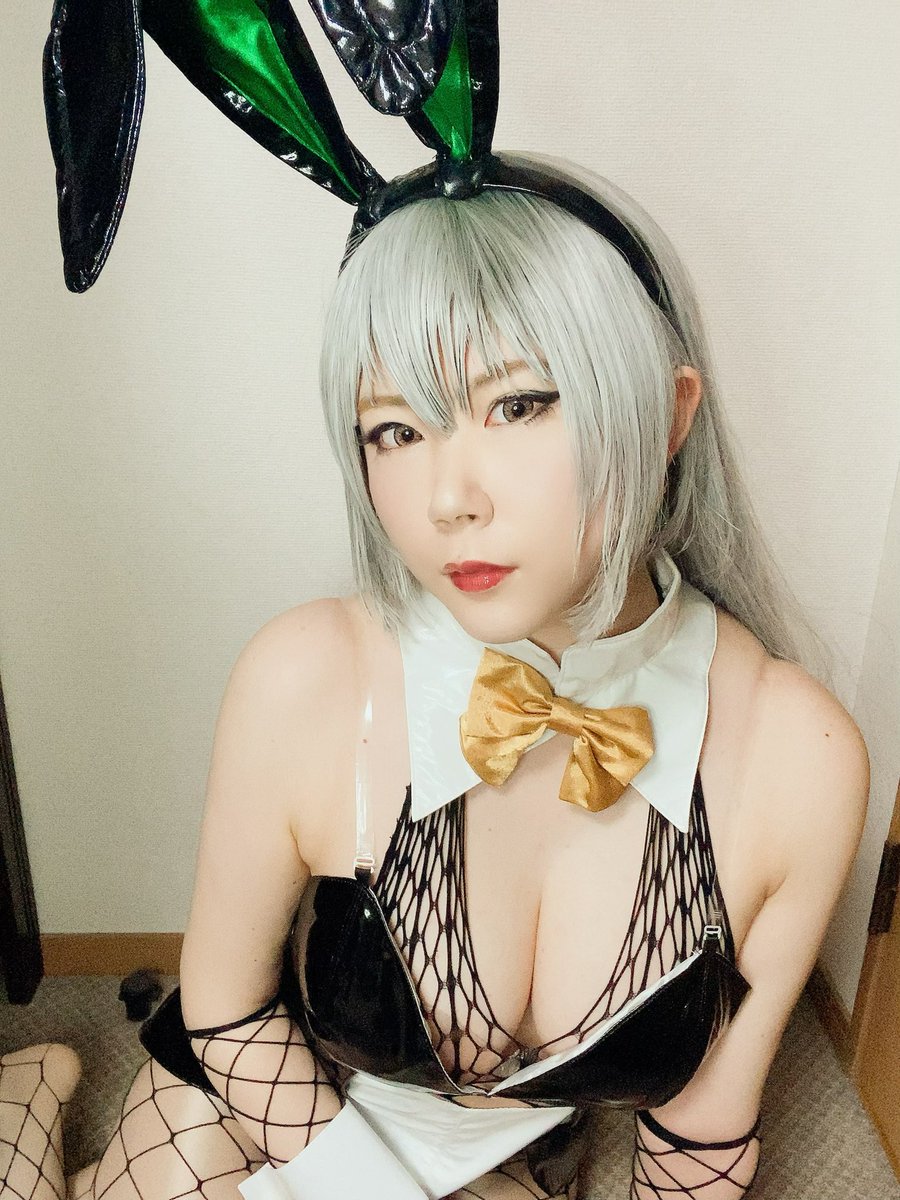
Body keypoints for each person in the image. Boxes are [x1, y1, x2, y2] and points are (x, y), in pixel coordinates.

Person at [6, 5, 868, 1199]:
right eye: (394, 431)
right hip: (272, 1096)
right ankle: (31, 1097)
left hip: (498, 1146)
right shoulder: (305, 677)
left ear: (667, 415)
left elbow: (704, 1128)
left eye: (518, 405)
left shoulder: (799, 758)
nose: (446, 498)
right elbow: (230, 1010)